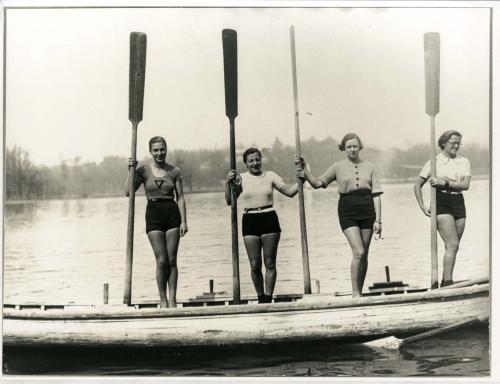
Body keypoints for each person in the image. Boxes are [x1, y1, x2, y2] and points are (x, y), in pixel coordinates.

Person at [298, 133, 383, 297]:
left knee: (364, 254)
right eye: (349, 146)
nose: (352, 149)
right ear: (344, 148)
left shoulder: (370, 166)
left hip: (368, 210)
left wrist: (378, 220)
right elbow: (317, 184)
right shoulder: (337, 166)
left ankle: (359, 291)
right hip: (347, 210)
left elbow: (377, 195)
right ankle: (355, 294)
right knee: (358, 252)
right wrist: (305, 172)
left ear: (360, 147)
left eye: (355, 146)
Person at [225, 148, 298, 304]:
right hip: (250, 220)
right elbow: (230, 201)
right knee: (254, 264)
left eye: (257, 160)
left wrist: (302, 179)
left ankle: (268, 297)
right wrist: (228, 182)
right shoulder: (240, 178)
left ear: (261, 160)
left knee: (270, 262)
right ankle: (260, 297)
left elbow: (290, 192)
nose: (255, 163)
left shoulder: (270, 176)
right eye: (251, 161)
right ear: (245, 163)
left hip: (269, 218)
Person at [126, 136, 188, 308]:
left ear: (166, 149)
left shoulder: (174, 171)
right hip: (153, 214)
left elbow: (181, 198)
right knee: (161, 260)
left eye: (162, 149)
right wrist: (131, 169)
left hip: (172, 213)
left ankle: (173, 301)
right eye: (156, 150)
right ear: (151, 152)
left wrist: (184, 221)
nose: (159, 153)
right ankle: (163, 300)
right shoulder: (144, 170)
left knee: (172, 260)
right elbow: (127, 191)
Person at [414, 130, 471, 287]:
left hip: (458, 201)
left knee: (452, 247)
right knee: (453, 245)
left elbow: (465, 185)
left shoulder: (464, 161)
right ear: (444, 143)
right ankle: (447, 283)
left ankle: (446, 283)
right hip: (441, 201)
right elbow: (417, 184)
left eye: (459, 143)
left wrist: (445, 183)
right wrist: (422, 206)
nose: (456, 146)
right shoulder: (434, 161)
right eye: (453, 143)